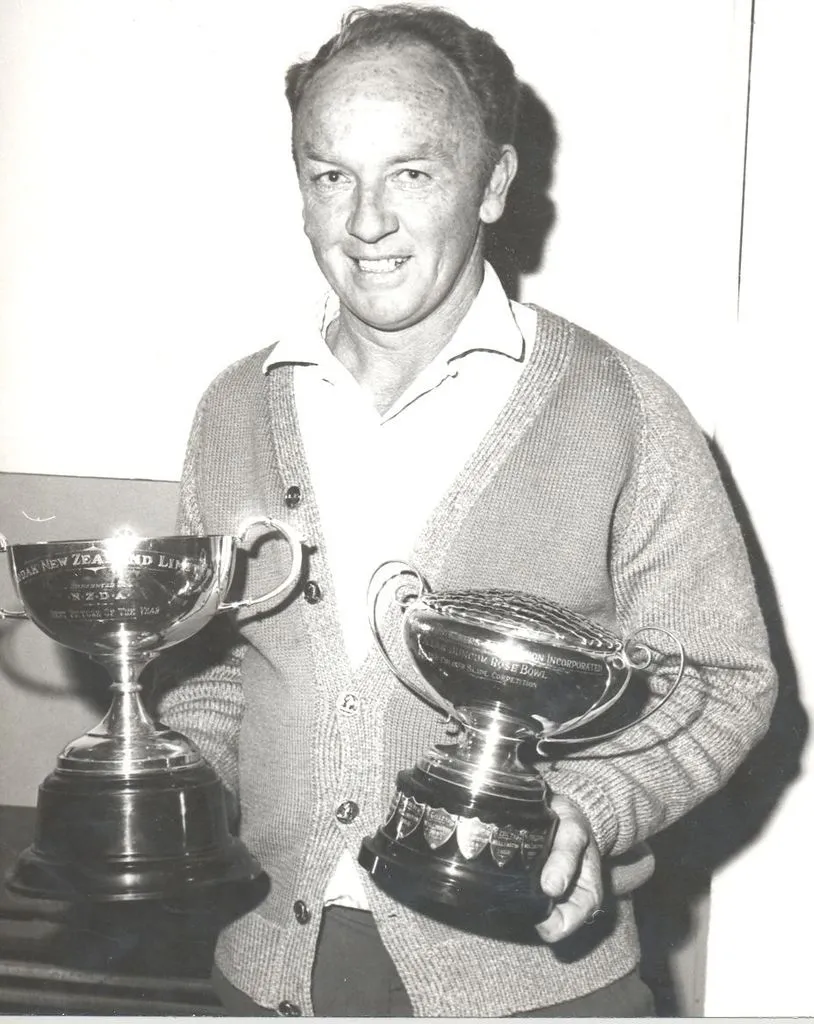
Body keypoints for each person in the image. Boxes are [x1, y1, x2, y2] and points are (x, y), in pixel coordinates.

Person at [157, 4, 777, 1016]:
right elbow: (217, 671)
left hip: (538, 979)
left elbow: (721, 677)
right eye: (330, 176)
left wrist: (591, 803)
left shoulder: (622, 408)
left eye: (411, 172)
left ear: (491, 182)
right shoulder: (235, 408)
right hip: (269, 969)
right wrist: (159, 769)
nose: (365, 222)